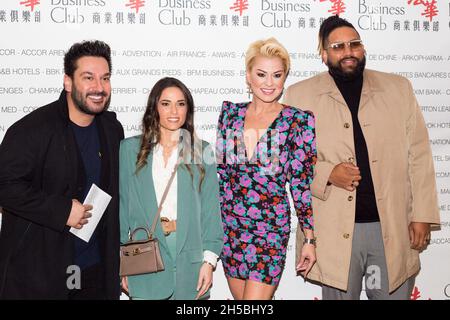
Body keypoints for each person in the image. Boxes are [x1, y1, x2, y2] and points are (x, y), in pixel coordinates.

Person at [283, 15, 441, 300]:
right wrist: (328, 173)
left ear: (363, 48)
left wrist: (423, 215)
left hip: (390, 227)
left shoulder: (398, 88)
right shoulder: (299, 95)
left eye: (354, 44)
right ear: (324, 54)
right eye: (338, 46)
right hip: (334, 230)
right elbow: (291, 160)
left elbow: (419, 154)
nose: (348, 52)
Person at [0, 40, 124, 299]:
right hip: (44, 273)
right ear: (68, 82)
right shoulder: (32, 130)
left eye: (105, 78)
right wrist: (61, 210)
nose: (99, 88)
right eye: (88, 77)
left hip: (97, 269)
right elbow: (5, 185)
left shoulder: (112, 130)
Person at [216, 38, 317, 300]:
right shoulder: (230, 114)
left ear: (285, 78)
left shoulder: (298, 121)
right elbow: (223, 176)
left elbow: (300, 184)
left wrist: (309, 239)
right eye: (261, 74)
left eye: (276, 75)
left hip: (269, 230)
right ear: (249, 76)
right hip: (231, 228)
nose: (269, 83)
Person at [119, 77, 223, 300]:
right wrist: (122, 262)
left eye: (181, 103)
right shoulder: (129, 150)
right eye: (166, 103)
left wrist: (209, 262)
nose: (174, 111)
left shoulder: (201, 152)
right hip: (145, 259)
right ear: (154, 107)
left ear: (188, 109)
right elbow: (122, 209)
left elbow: (211, 213)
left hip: (191, 262)